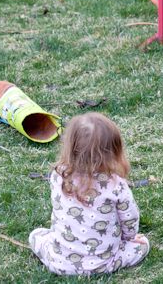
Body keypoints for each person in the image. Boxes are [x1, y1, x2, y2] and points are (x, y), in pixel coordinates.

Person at [29, 113, 148, 276]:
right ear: (113, 150)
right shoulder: (116, 186)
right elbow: (130, 219)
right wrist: (129, 238)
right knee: (142, 245)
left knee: (35, 235)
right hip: (103, 263)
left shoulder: (58, 176)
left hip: (59, 262)